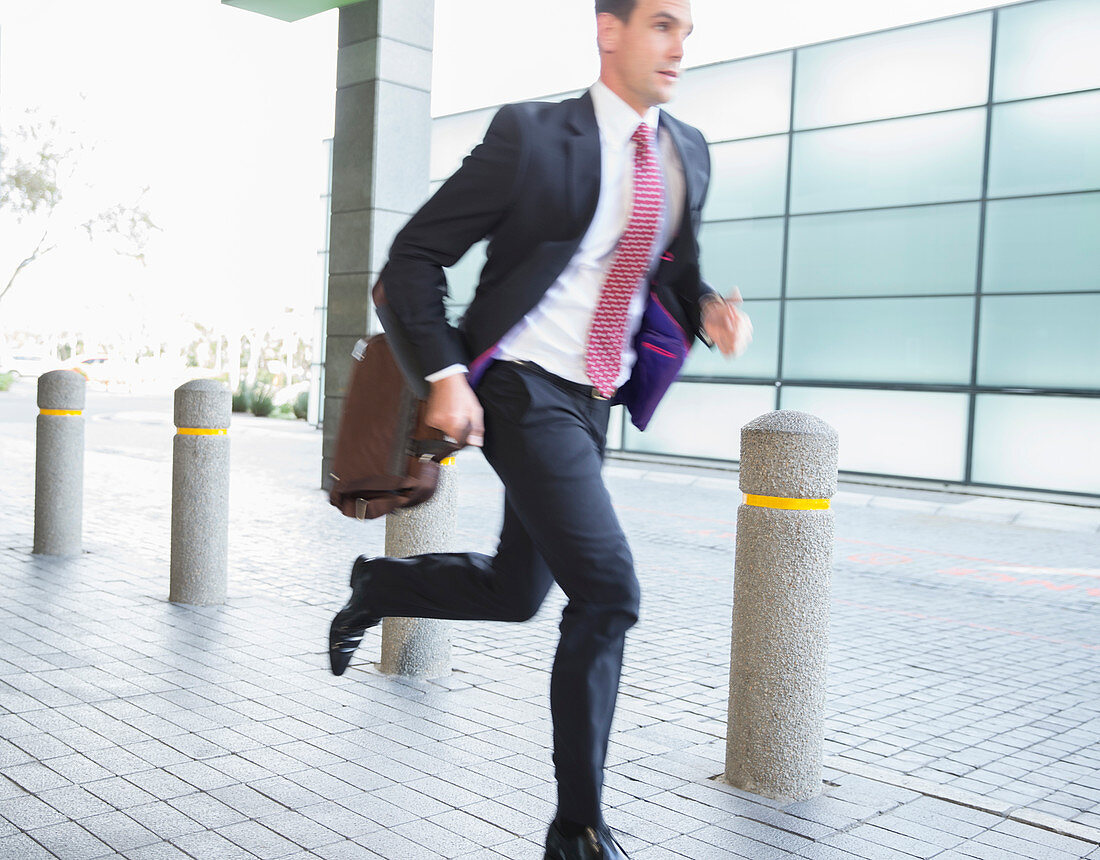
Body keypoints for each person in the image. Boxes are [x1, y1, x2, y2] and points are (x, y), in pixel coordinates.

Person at [328, 1, 751, 856]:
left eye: (687, 30)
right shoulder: (531, 135)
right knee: (609, 591)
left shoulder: (687, 151)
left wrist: (704, 308)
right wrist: (446, 376)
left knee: (519, 594)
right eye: (663, 24)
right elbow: (414, 258)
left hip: (593, 401)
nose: (681, 44)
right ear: (610, 30)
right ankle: (578, 828)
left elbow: (671, 270)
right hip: (520, 389)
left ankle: (379, 586)